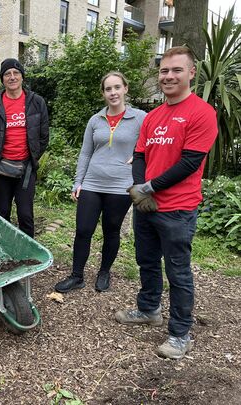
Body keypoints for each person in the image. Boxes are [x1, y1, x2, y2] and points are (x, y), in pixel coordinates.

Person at [115, 46, 218, 360]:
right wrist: (138, 187)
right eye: (164, 70)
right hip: (146, 206)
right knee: (146, 261)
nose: (169, 76)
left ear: (190, 73)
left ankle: (180, 332)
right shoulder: (155, 116)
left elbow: (189, 163)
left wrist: (147, 187)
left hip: (178, 208)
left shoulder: (202, 113)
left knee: (178, 272)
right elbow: (141, 155)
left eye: (176, 70)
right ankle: (149, 309)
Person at [54, 72, 146, 293]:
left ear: (125, 88)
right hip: (93, 183)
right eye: (108, 89)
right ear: (103, 93)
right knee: (83, 230)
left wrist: (141, 155)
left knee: (111, 230)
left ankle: (104, 272)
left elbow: (152, 143)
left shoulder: (141, 118)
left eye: (116, 87)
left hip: (121, 186)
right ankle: (76, 276)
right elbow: (85, 153)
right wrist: (78, 182)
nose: (113, 93)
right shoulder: (95, 120)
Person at [0, 58, 49, 238]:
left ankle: (28, 252)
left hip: (26, 169)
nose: (12, 77)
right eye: (7, 74)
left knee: (25, 214)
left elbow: (43, 137)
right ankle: (3, 247)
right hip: (1, 169)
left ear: (22, 77)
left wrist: (31, 156)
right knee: (2, 212)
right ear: (2, 79)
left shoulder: (36, 102)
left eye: (16, 73)